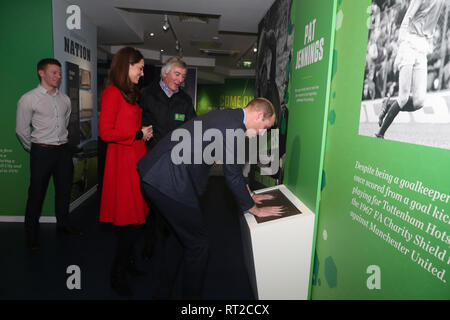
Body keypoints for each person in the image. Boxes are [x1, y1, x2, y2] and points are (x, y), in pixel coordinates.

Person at [137, 97, 283, 299]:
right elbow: (231, 174)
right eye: (265, 127)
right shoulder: (234, 127)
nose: (263, 133)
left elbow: (233, 168)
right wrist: (253, 208)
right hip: (168, 181)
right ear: (258, 115)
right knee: (198, 245)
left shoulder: (228, 117)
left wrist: (247, 192)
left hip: (154, 174)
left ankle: (162, 294)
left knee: (180, 240)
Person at [99, 47, 153, 297]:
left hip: (136, 159)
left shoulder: (129, 93)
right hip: (123, 163)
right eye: (139, 68)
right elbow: (106, 132)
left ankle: (129, 265)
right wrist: (137, 134)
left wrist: (141, 132)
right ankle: (116, 274)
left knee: (136, 220)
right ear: (126, 66)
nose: (142, 73)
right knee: (130, 224)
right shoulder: (111, 93)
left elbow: (125, 125)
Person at [16, 58, 81, 250]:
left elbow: (66, 123)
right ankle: (31, 235)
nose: (58, 76)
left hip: (63, 152)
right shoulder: (28, 98)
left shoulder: (65, 99)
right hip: (41, 152)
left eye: (59, 73)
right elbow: (21, 130)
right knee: (36, 194)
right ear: (41, 73)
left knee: (64, 191)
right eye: (54, 72)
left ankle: (63, 225)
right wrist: (35, 148)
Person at [139, 57, 196, 260]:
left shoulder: (185, 101)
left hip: (175, 163)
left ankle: (167, 247)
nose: (180, 80)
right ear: (165, 73)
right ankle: (149, 247)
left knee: (170, 205)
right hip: (151, 160)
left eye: (183, 76)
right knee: (152, 207)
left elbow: (193, 129)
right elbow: (138, 123)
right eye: (177, 74)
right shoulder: (146, 95)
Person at [376, 0, 444, 138]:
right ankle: (380, 134)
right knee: (403, 97)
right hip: (408, 43)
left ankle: (388, 104)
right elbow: (407, 18)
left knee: (419, 101)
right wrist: (400, 50)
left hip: (423, 46)